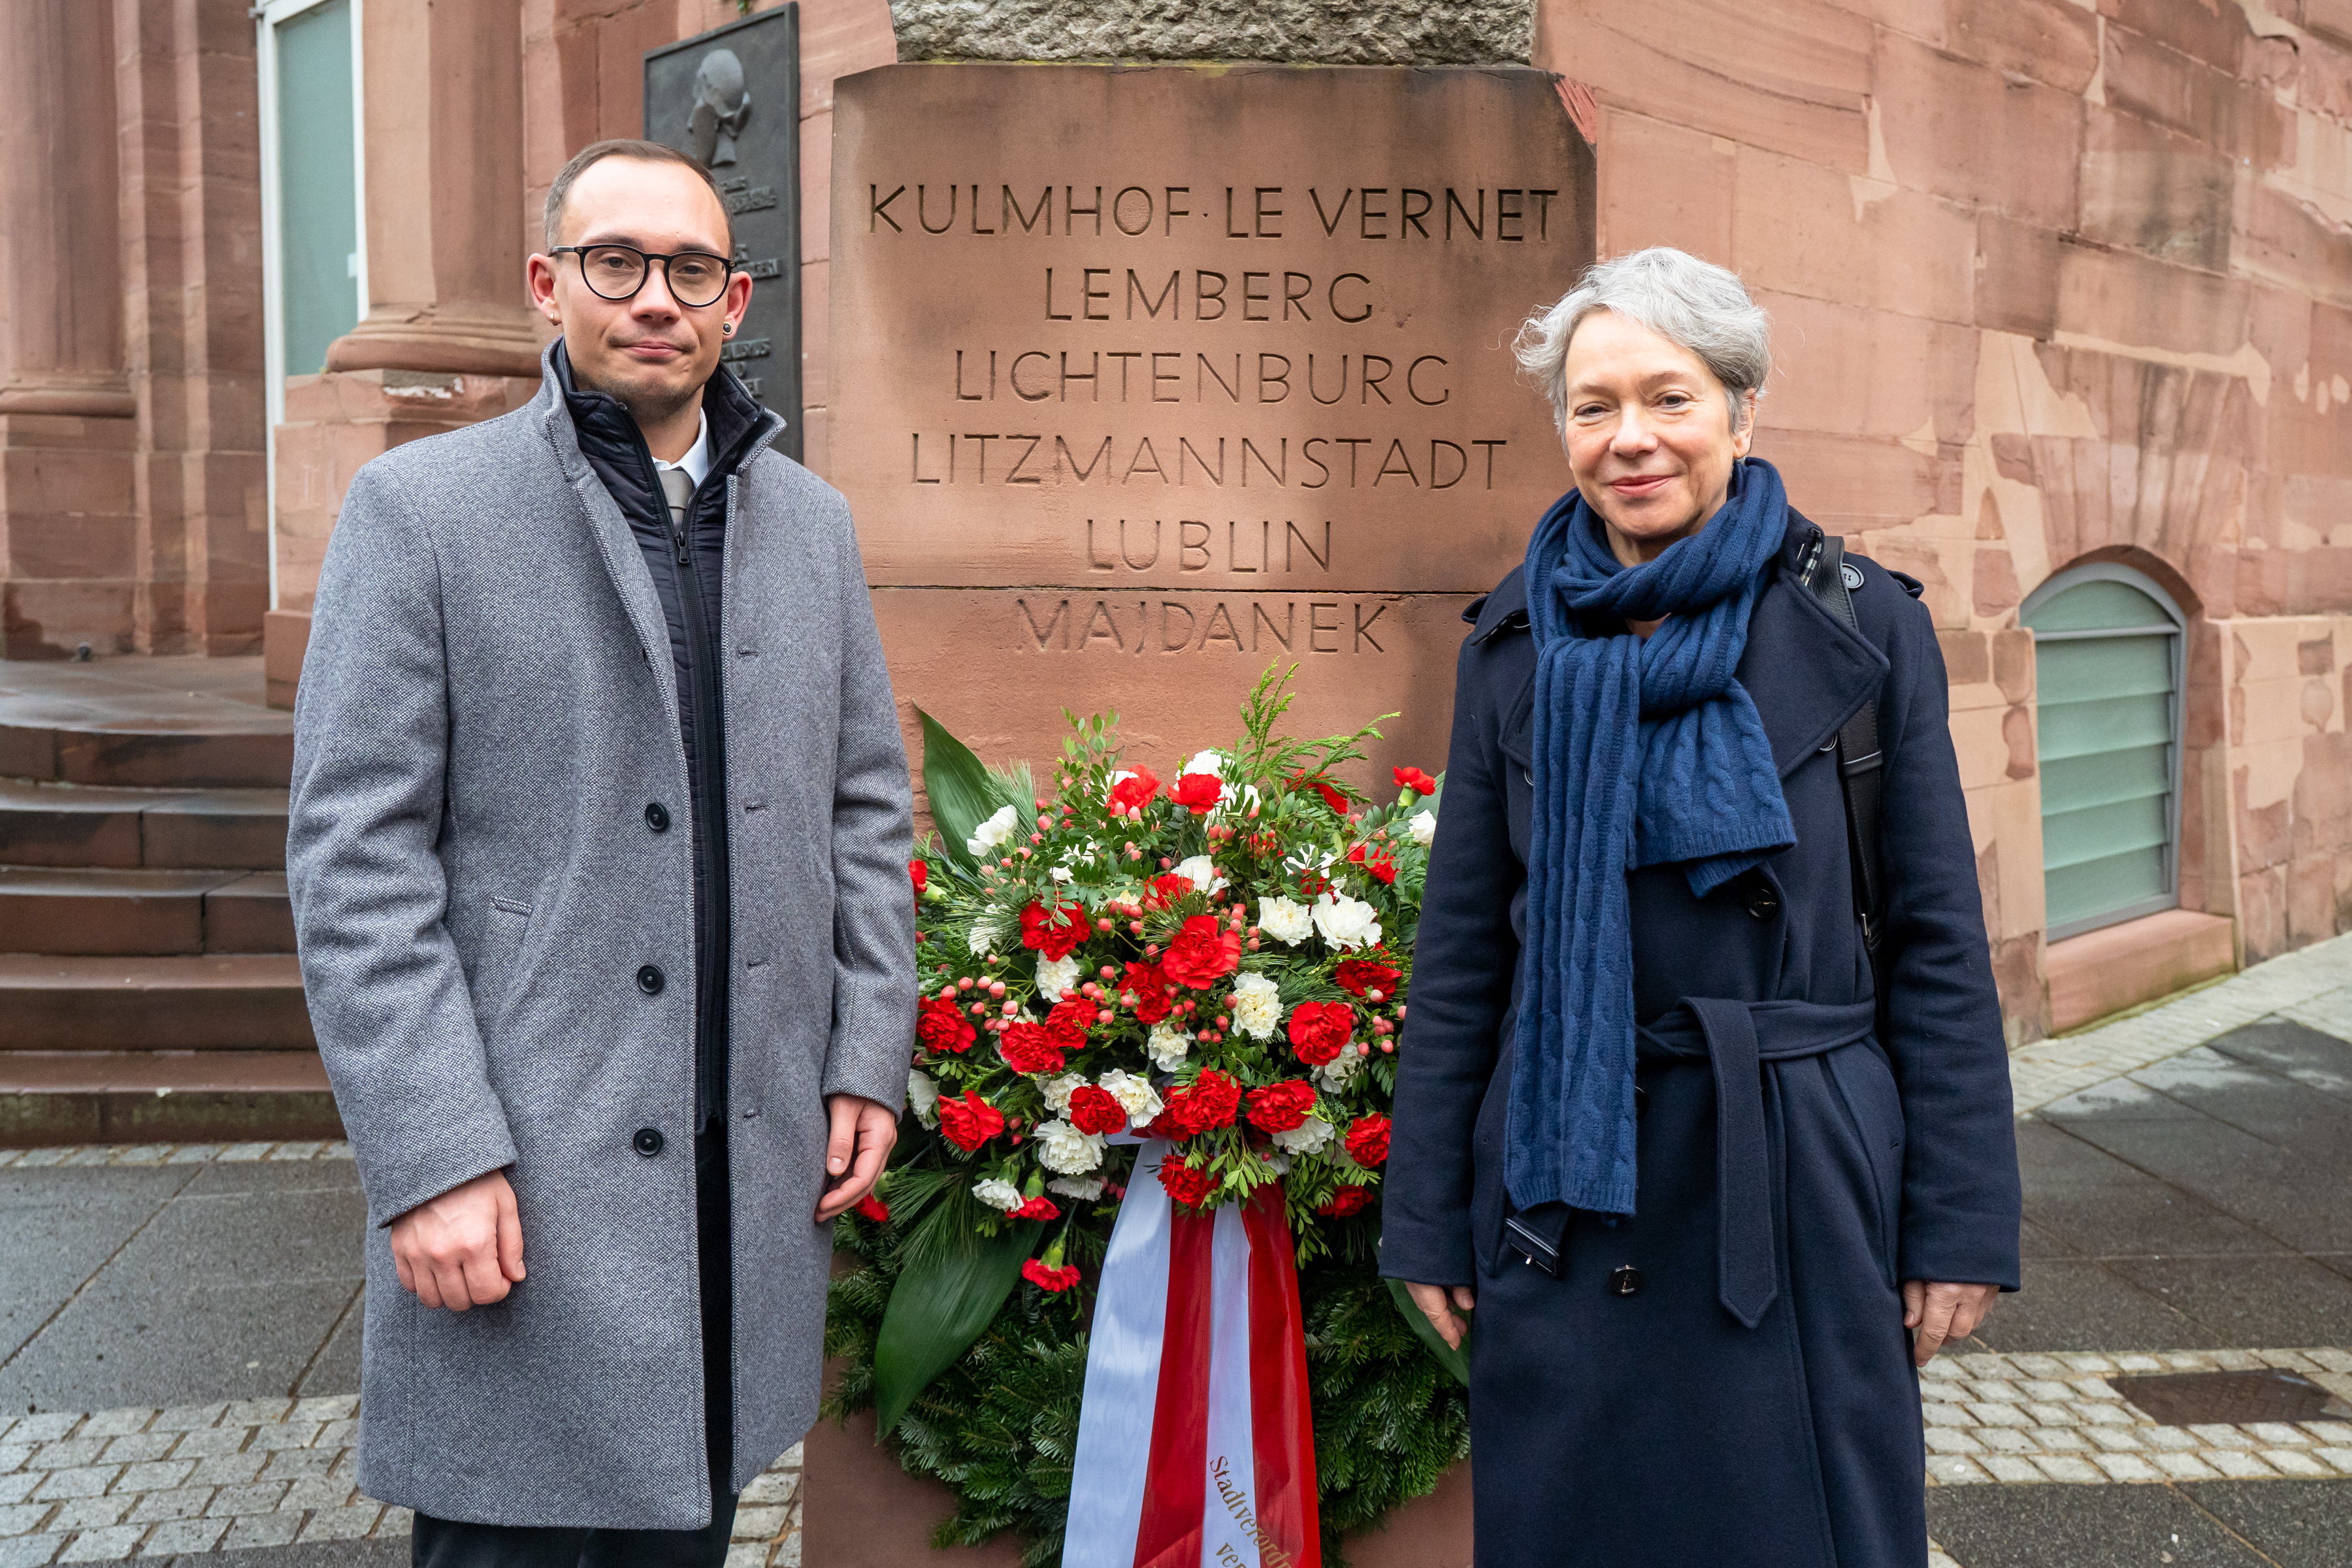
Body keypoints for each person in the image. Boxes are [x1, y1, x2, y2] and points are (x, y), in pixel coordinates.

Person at [287, 138, 915, 1567]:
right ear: (547, 284)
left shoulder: (812, 526)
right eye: (615, 263)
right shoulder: (423, 513)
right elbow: (355, 857)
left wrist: (868, 1044)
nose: (654, 299)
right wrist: (432, 1154)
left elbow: (866, 807)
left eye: (690, 269)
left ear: (735, 298)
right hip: (527, 1178)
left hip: (743, 1179)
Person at [1382, 248, 2020, 1568]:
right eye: (1593, 404)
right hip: (1567, 1174)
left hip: (1794, 1163)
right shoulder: (1511, 649)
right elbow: (1459, 961)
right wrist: (1430, 1214)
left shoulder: (1862, 626)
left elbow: (1941, 944)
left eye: (1669, 399)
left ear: (1741, 410)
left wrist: (1958, 1221)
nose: (1631, 441)